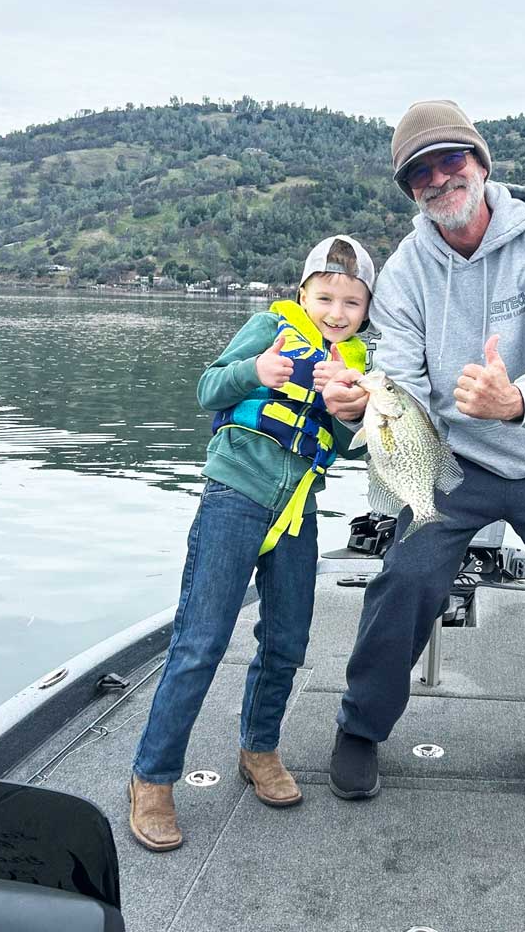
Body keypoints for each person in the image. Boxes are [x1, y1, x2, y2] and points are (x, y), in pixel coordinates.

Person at [323, 100, 525, 801]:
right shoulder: (403, 273)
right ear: (410, 190)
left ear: (482, 165)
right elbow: (401, 381)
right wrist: (364, 407)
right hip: (457, 456)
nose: (438, 178)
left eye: (450, 160)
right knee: (405, 579)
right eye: (419, 173)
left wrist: (513, 399)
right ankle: (361, 724)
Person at [128, 235, 373, 851]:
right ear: (302, 293)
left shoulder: (356, 363)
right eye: (325, 297)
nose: (336, 313)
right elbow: (210, 389)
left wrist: (347, 414)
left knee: (287, 640)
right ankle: (152, 778)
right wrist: (254, 371)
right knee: (201, 640)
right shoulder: (270, 328)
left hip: (296, 512)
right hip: (234, 497)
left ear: (366, 310)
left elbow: (342, 447)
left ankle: (259, 750)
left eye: (351, 302)